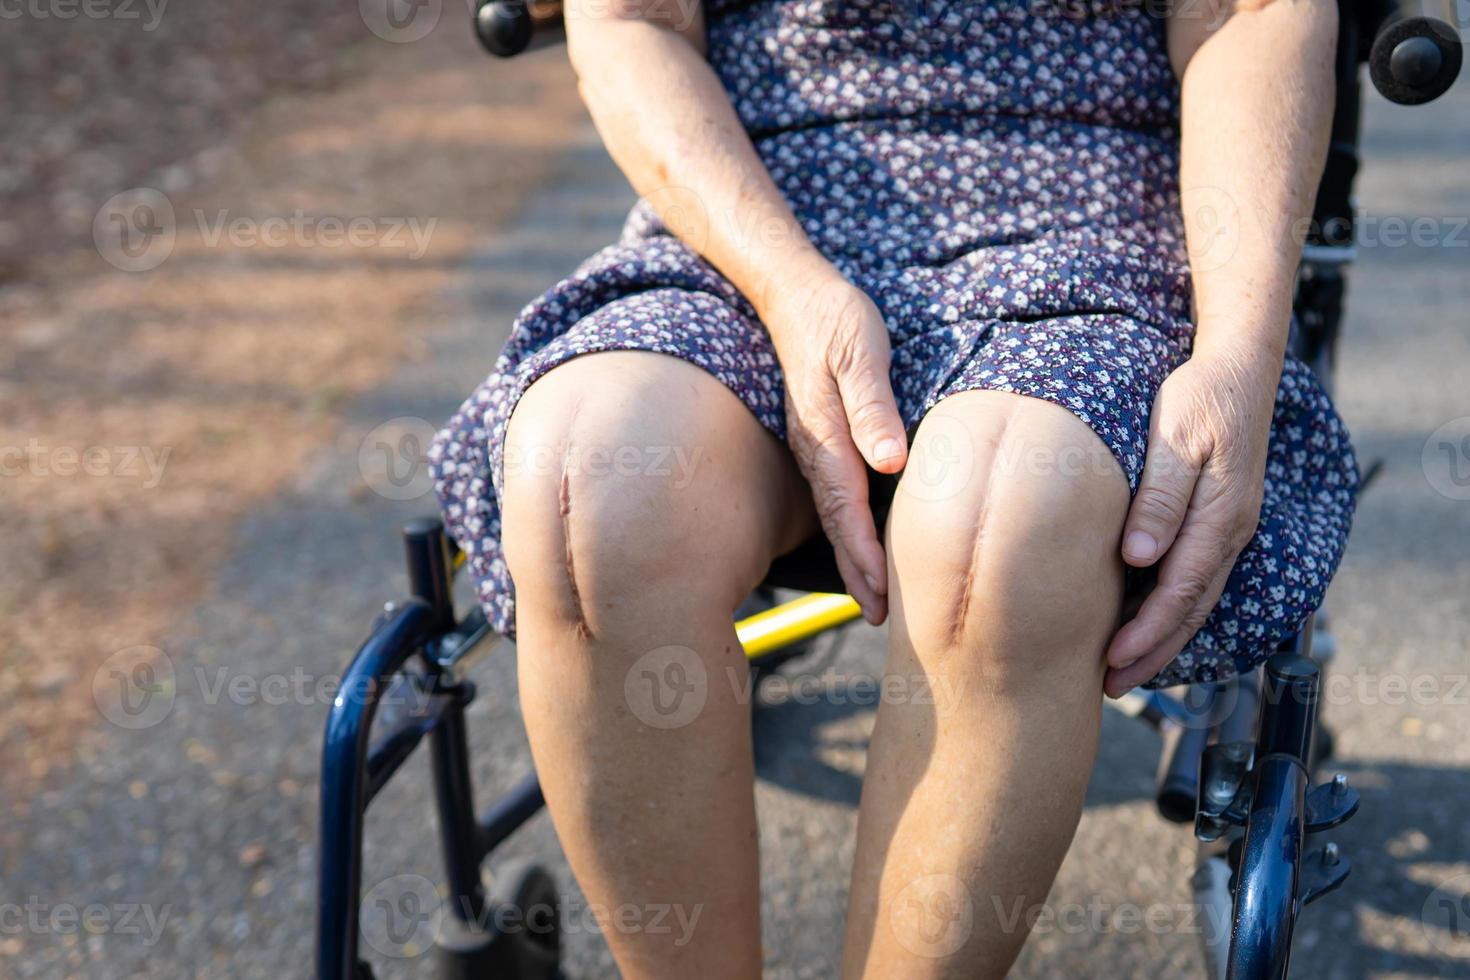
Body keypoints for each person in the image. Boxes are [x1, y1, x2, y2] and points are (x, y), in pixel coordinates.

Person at [429, 0, 1357, 974]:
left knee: (1010, 520)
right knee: (587, 485)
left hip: (1094, 234)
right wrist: (790, 286)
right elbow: (631, 21)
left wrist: (1240, 358)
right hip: (753, 217)